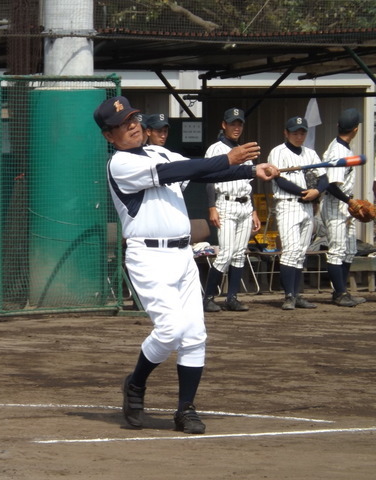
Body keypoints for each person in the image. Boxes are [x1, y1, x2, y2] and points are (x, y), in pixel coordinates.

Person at [93, 95, 278, 434]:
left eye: (133, 118)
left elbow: (201, 173)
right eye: (122, 124)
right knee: (170, 330)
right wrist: (228, 157)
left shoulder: (159, 151)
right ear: (109, 135)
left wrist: (251, 170)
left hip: (183, 255)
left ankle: (185, 409)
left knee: (194, 335)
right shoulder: (120, 163)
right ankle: (135, 382)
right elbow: (178, 170)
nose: (132, 126)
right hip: (148, 257)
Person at [267, 116, 329, 310]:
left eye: (302, 132)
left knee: (301, 253)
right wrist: (305, 193)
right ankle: (289, 296)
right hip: (288, 204)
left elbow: (324, 178)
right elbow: (279, 180)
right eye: (295, 132)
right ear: (286, 133)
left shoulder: (310, 153)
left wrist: (317, 191)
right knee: (291, 251)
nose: (299, 136)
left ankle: (298, 295)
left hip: (307, 206)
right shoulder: (278, 152)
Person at [203, 108, 260, 312]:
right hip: (225, 202)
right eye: (232, 123)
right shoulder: (216, 148)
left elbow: (249, 183)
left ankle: (232, 298)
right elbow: (209, 181)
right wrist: (211, 207)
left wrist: (253, 210)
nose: (236, 127)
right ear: (224, 125)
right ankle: (208, 297)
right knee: (226, 253)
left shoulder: (245, 150)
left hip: (245, 204)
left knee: (239, 254)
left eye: (239, 124)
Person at [321, 108, 366, 307]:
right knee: (337, 250)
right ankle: (339, 293)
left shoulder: (343, 147)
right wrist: (350, 202)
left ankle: (342, 291)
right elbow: (331, 184)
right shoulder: (338, 150)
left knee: (349, 249)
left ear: (339, 126)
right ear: (356, 129)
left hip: (344, 204)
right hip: (335, 203)